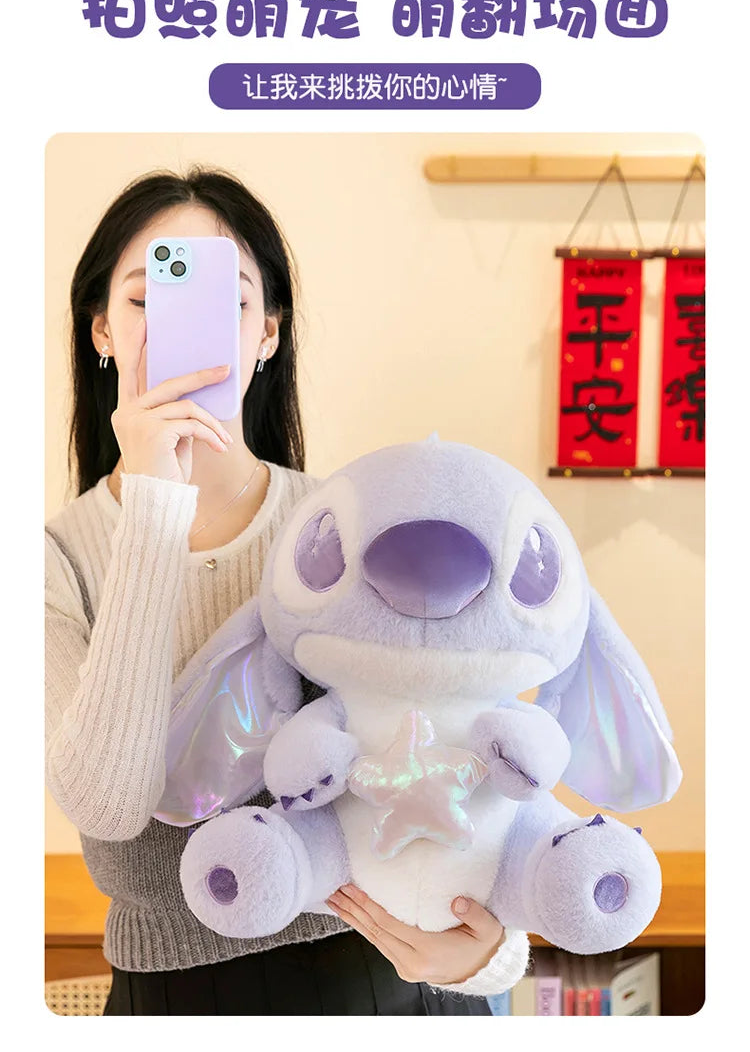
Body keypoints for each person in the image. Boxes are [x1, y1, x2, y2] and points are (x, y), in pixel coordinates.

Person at [44, 167, 530, 1016]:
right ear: (102, 331)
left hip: (379, 981)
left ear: (267, 332)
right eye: (148, 297)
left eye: (224, 300)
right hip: (172, 1001)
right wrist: (154, 507)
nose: (182, 325)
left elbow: (468, 755)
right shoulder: (55, 559)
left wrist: (490, 959)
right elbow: (110, 806)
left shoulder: (348, 521)